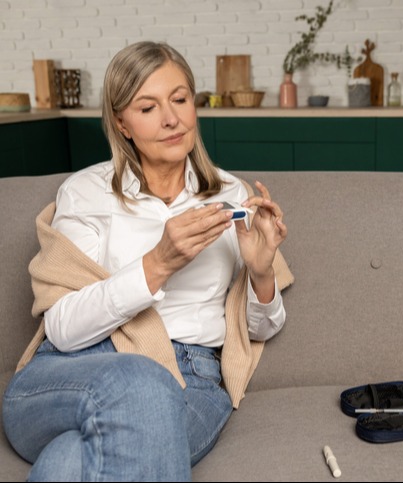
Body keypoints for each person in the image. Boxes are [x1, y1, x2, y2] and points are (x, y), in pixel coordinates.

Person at [2, 41, 293, 482]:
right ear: (121, 122)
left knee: (68, 461)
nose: (172, 118)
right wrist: (158, 262)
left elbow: (257, 330)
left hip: (188, 378)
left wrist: (260, 269)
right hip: (71, 372)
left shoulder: (231, 196)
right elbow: (62, 328)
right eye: (148, 107)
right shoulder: (85, 193)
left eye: (180, 100)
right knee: (138, 380)